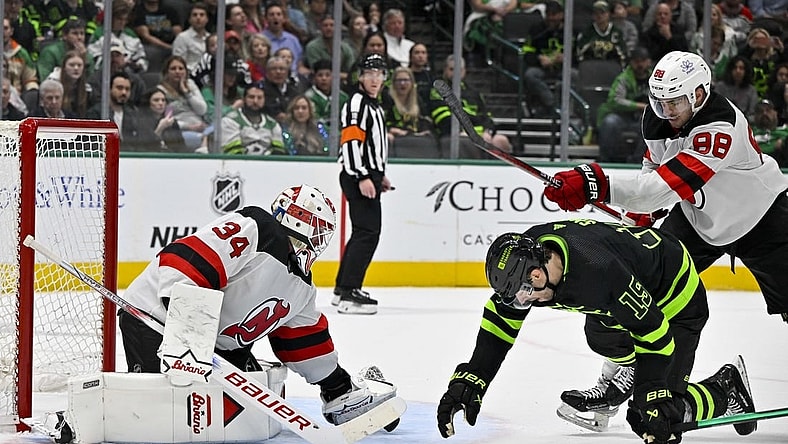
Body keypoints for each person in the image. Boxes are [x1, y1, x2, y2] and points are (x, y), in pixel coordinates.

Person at [542, 51, 788, 430]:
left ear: (700, 94)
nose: (664, 109)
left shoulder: (720, 125)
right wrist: (638, 221)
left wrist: (597, 184)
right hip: (697, 221)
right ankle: (626, 373)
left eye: (674, 101)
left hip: (764, 218)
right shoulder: (657, 117)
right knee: (635, 289)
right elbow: (652, 168)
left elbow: (659, 190)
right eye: (659, 100)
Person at [436, 224, 757, 443]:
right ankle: (630, 372)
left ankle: (726, 390)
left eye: (525, 293)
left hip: (675, 299)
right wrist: (472, 378)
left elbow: (654, 331)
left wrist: (652, 390)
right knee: (599, 334)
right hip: (629, 290)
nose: (523, 303)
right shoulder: (536, 257)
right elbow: (501, 321)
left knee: (657, 416)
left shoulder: (600, 273)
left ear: (537, 273)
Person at [120, 184, 399, 429]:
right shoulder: (255, 228)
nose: (318, 240)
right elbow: (186, 264)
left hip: (212, 348)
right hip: (155, 320)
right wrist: (190, 340)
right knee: (163, 414)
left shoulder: (302, 287)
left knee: (230, 419)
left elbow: (304, 345)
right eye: (319, 229)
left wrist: (336, 386)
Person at [333, 53, 393, 315]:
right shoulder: (357, 103)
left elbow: (370, 146)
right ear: (359, 76)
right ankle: (349, 292)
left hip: (367, 173)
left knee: (362, 232)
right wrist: (362, 176)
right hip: (358, 174)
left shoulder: (374, 105)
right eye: (369, 73)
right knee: (368, 233)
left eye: (379, 74)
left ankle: (341, 289)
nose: (375, 79)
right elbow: (352, 141)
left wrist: (380, 175)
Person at [428, 54, 512, 158]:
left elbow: (487, 117)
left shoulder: (473, 92)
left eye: (459, 70)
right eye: (451, 69)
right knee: (468, 140)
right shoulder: (438, 91)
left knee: (501, 141)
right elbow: (444, 119)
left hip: (478, 132)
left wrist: (488, 131)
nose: (455, 73)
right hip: (455, 132)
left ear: (464, 71)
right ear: (445, 70)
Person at [596, 46, 652, 163]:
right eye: (636, 61)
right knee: (609, 122)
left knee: (651, 124)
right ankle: (608, 160)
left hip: (643, 119)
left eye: (643, 61)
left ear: (648, 62)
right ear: (631, 62)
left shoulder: (655, 80)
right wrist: (640, 106)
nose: (640, 64)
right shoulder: (623, 79)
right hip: (623, 117)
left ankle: (638, 160)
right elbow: (615, 100)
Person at [381, 66, 438, 158]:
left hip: (415, 136)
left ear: (412, 83)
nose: (402, 83)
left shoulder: (417, 100)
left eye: (406, 80)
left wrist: (423, 131)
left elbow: (426, 119)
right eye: (399, 80)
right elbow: (382, 120)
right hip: (396, 137)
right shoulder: (387, 98)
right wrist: (390, 130)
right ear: (393, 83)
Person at [157, 55, 209, 151]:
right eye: (173, 69)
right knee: (203, 138)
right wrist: (189, 127)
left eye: (181, 68)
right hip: (180, 130)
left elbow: (202, 110)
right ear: (166, 72)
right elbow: (168, 119)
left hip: (201, 126)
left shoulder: (190, 85)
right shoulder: (162, 91)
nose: (177, 72)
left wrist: (186, 92)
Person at [220, 82, 286, 155]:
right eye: (251, 97)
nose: (255, 101)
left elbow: (279, 151)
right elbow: (233, 152)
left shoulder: (272, 124)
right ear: (244, 99)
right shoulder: (230, 120)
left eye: (259, 98)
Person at [87, 72, 143, 151]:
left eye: (127, 89)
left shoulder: (133, 114)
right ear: (109, 89)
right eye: (119, 88)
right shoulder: (96, 113)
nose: (124, 92)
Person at [37, 18, 94, 82]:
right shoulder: (50, 52)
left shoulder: (86, 54)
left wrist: (84, 58)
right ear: (64, 35)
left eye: (82, 33)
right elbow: (44, 78)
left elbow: (91, 79)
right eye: (75, 33)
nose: (79, 37)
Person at [575, 1, 627, 66]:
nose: (599, 16)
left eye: (602, 13)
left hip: (611, 67)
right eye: (596, 13)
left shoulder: (617, 32)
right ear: (593, 15)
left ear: (608, 14)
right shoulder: (587, 33)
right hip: (592, 67)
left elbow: (623, 55)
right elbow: (579, 54)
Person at [137, 87, 188, 153]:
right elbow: (145, 147)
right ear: (148, 103)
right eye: (156, 100)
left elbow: (182, 147)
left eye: (163, 100)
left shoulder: (172, 122)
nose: (161, 103)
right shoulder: (141, 121)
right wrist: (160, 129)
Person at [47, 49, 96, 118]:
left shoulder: (87, 90)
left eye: (79, 65)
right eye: (72, 65)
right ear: (64, 67)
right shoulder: (52, 84)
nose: (76, 68)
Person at [305, 58, 348, 128]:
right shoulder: (309, 98)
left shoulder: (343, 97)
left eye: (327, 75)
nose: (324, 78)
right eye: (320, 75)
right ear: (314, 77)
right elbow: (315, 122)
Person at [714, 55, 759, 120]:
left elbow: (753, 113)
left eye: (741, 68)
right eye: (735, 68)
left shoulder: (751, 90)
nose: (738, 71)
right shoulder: (720, 87)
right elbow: (715, 108)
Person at [171, 2, 211, 72]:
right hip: (189, 76)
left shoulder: (211, 38)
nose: (198, 18)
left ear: (207, 19)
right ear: (189, 19)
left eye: (202, 15)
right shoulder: (182, 38)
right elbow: (178, 63)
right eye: (194, 15)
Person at [752, 98, 788, 166]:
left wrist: (783, 141)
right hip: (756, 163)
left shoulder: (785, 131)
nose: (764, 113)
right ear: (755, 116)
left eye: (768, 110)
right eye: (760, 111)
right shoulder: (749, 133)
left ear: (775, 113)